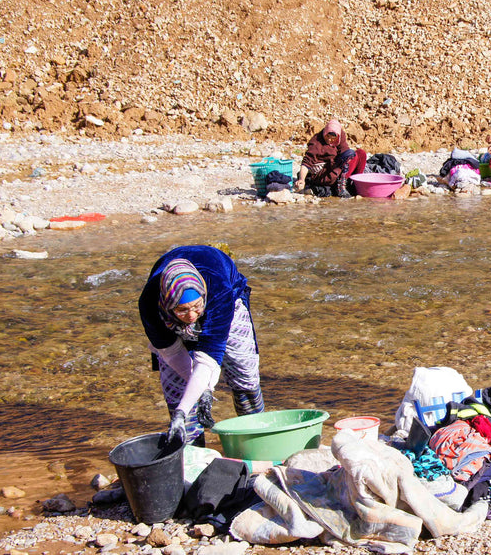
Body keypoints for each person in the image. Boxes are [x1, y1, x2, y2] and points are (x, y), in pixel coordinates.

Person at [139, 245, 265, 446]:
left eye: (196, 307)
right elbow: (172, 354)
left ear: (203, 297)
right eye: (182, 310)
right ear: (167, 303)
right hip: (168, 314)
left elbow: (208, 358)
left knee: (243, 371)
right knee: (176, 389)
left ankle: (256, 441)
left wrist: (205, 386)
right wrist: (187, 405)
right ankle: (193, 452)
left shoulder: (218, 293)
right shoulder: (150, 305)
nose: (191, 316)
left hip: (226, 295)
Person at [295, 119, 367, 197]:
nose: (329, 140)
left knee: (360, 153)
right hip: (324, 174)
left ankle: (356, 183)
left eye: (333, 138)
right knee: (347, 159)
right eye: (327, 136)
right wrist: (301, 180)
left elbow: (345, 151)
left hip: (337, 166)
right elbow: (306, 163)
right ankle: (340, 186)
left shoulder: (340, 136)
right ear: (325, 133)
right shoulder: (316, 143)